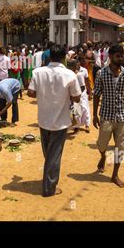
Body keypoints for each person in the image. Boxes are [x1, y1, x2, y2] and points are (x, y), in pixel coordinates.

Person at [28, 45, 81, 197]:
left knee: (49, 153)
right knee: (54, 155)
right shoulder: (69, 74)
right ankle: (49, 188)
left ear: (50, 56)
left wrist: (44, 95)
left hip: (44, 118)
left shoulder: (38, 72)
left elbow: (31, 92)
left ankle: (49, 179)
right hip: (60, 121)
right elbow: (76, 97)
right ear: (64, 57)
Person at [93, 44, 124, 188]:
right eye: (118, 55)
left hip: (122, 115)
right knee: (102, 143)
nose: (121, 58)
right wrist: (94, 115)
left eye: (122, 55)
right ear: (110, 57)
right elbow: (97, 94)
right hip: (106, 115)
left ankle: (115, 174)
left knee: (121, 146)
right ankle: (103, 156)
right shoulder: (101, 74)